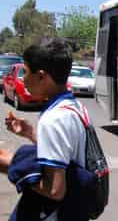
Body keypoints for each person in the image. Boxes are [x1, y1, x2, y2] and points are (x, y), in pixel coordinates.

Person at [1, 37, 90, 220]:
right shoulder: (74, 107)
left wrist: (10, 166)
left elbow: (55, 190)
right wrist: (30, 133)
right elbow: (66, 153)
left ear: (41, 76)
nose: (23, 80)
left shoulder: (54, 119)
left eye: (25, 72)